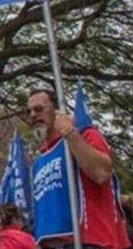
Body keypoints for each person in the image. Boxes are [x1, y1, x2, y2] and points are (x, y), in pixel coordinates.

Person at [28, 89, 131, 248]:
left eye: (39, 109)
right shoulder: (38, 162)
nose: (33, 115)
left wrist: (69, 133)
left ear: (57, 112)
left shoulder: (83, 135)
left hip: (90, 241)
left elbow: (102, 172)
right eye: (29, 111)